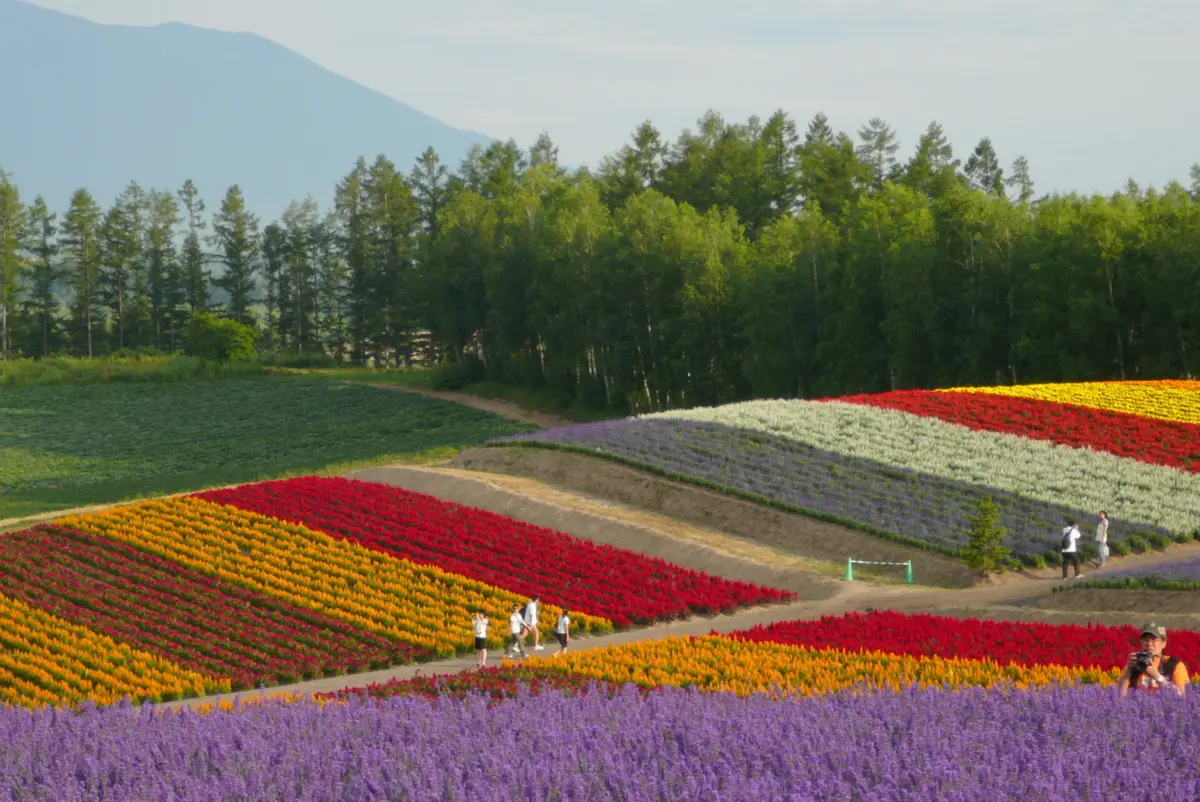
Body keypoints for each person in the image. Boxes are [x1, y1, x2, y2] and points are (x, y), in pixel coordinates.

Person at [1118, 622, 1188, 697]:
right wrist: (1128, 669)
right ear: (1141, 642)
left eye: (1154, 639)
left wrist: (1157, 676)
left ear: (1163, 643)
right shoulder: (1134, 665)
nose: (1149, 644)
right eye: (1145, 639)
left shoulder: (1174, 665)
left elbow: (1181, 696)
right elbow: (1120, 697)